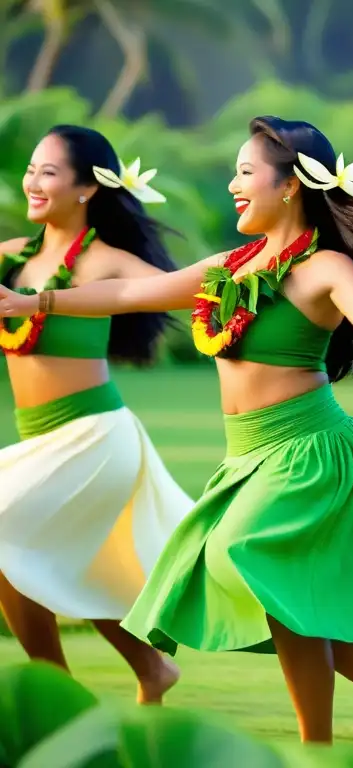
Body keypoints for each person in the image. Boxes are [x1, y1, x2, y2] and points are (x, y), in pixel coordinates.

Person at [0, 116, 353, 745]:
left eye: (246, 174)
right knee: (281, 593)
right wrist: (37, 303)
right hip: (248, 457)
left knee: (248, 557)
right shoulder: (229, 267)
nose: (234, 185)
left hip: (310, 448)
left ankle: (317, 747)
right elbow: (135, 292)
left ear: (291, 185)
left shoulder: (324, 267)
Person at [0, 125, 190, 703]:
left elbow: (180, 291)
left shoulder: (106, 263)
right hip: (38, 444)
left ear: (86, 189)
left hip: (94, 437)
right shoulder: (14, 257)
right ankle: (151, 670)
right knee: (56, 561)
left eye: (48, 173)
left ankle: (53, 689)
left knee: (15, 544)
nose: (33, 182)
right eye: (32, 169)